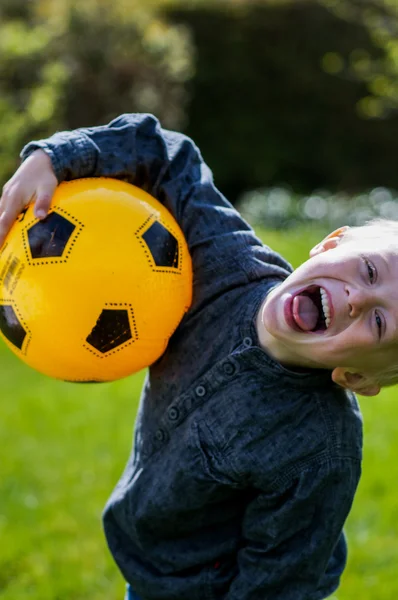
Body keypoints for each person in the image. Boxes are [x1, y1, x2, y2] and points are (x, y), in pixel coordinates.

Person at [3, 112, 397, 600]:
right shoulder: (223, 259)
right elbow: (166, 154)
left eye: (379, 322)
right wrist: (53, 157)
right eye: (369, 271)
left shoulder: (319, 450)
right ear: (330, 243)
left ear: (357, 376)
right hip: (151, 554)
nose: (359, 298)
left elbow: (279, 578)